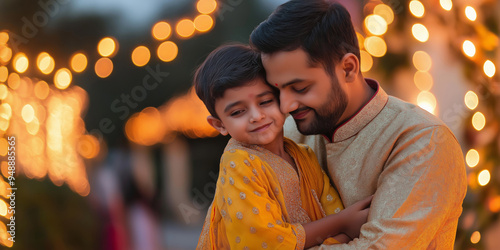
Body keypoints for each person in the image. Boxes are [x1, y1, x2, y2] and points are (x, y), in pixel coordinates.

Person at [250, 0, 467, 248]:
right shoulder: (286, 135)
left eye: (300, 88)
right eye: (278, 91)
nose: (286, 105)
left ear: (348, 68)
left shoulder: (422, 141)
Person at [194, 44, 371, 249]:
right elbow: (264, 242)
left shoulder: (304, 155)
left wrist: (342, 227)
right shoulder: (238, 162)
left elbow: (335, 215)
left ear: (283, 99)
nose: (256, 116)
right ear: (219, 124)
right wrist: (341, 223)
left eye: (265, 102)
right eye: (237, 112)